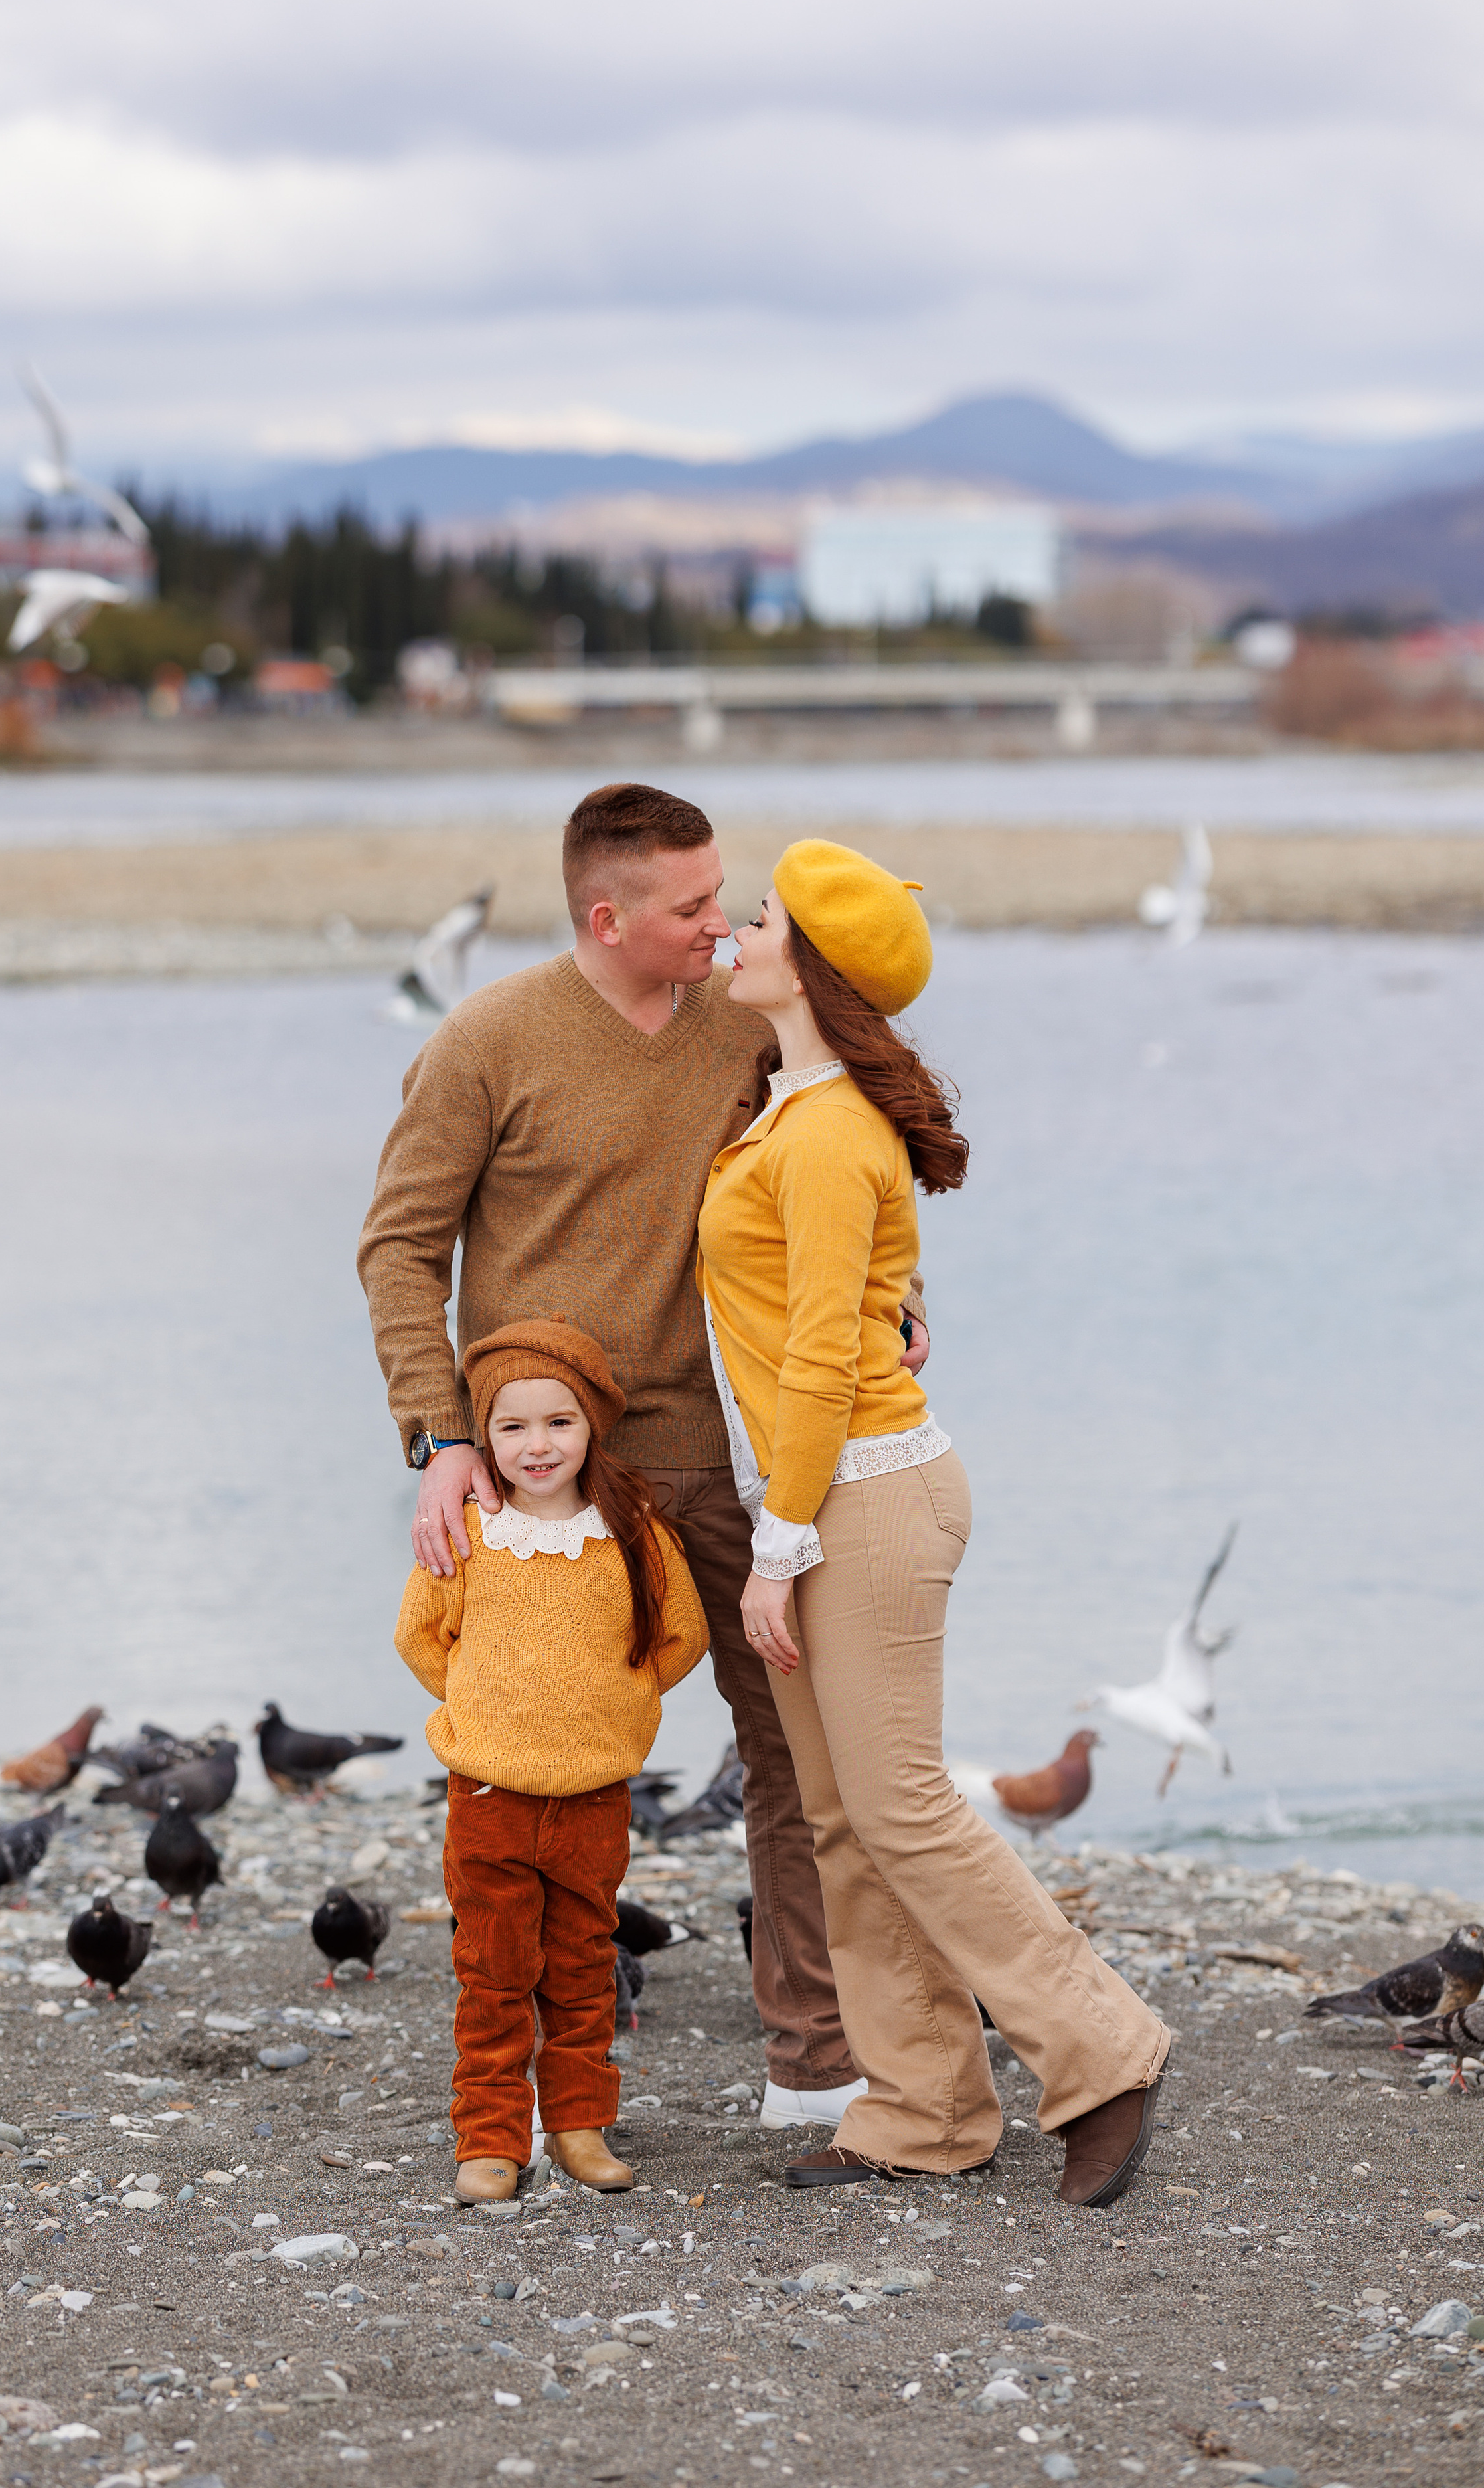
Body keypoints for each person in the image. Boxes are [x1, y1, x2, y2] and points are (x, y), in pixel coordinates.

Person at [360, 783, 926, 2129]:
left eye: (723, 896)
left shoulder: (744, 1027)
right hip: (535, 1469)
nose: (720, 925)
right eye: (689, 907)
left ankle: (813, 2056)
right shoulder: (485, 1039)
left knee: (788, 1747)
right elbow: (399, 1249)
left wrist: (888, 1303)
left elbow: (826, 1169)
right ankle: (517, 2075)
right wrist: (441, 1438)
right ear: (605, 917)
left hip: (705, 1450)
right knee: (525, 1771)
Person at [697, 839, 1171, 2206]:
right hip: (818, 1490)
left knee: (898, 1806)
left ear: (814, 967)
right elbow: (851, 1309)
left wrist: (778, 1546)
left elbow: (818, 1366)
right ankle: (920, 2108)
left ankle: (1103, 2049)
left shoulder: (831, 1132)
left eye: (765, 920)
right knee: (843, 1818)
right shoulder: (785, 1109)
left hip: (860, 1496)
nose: (738, 929)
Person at [393, 1318, 710, 2202]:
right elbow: (421, 1638)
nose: (538, 1446)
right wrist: (484, 1708)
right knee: (493, 1975)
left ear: (594, 1426)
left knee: (581, 1970)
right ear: (484, 1437)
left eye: (559, 1423)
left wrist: (615, 1705)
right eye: (513, 1427)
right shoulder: (469, 1531)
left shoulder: (633, 1532)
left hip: (593, 1797)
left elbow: (681, 1637)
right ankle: (492, 2137)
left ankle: (579, 2126)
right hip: (488, 1796)